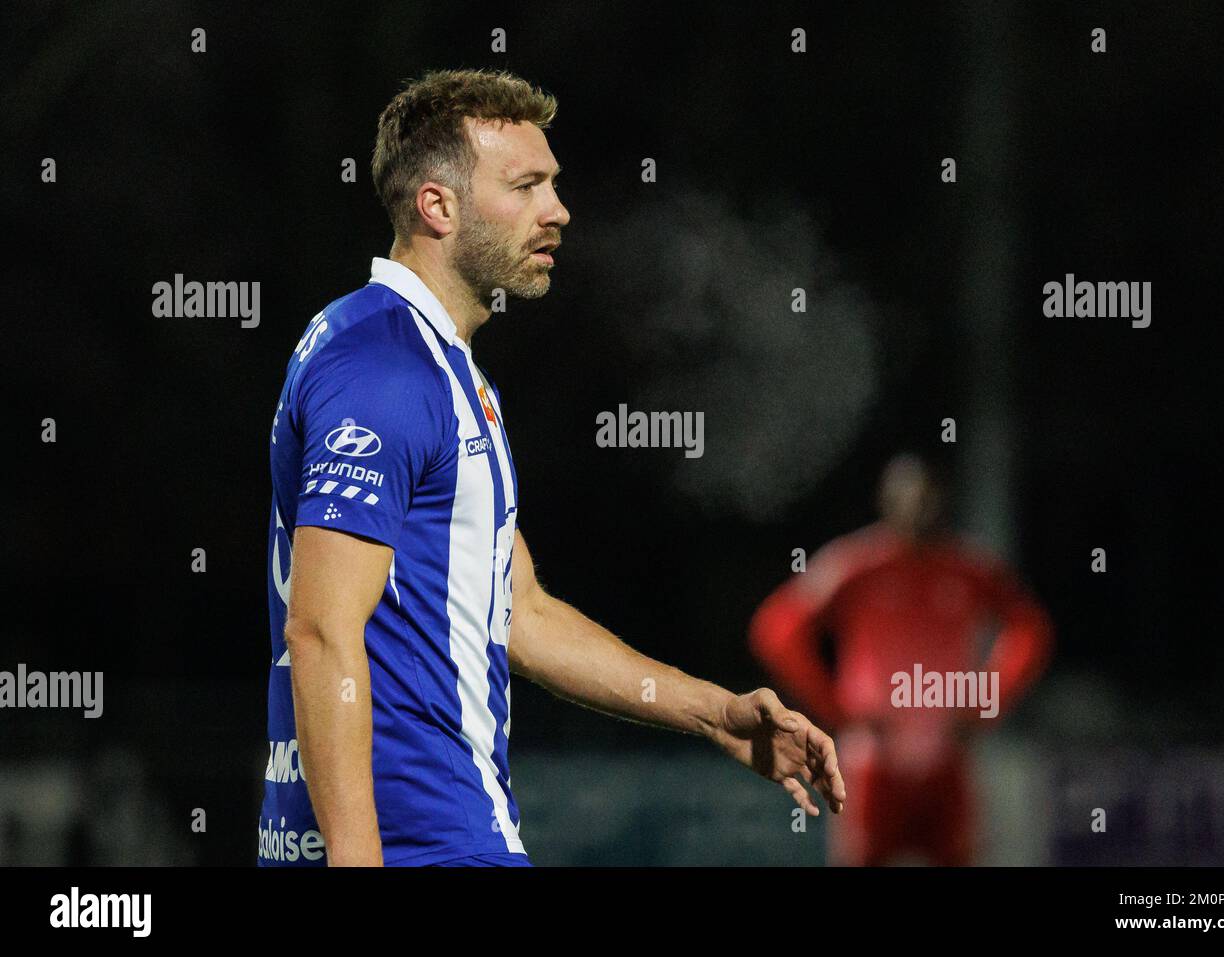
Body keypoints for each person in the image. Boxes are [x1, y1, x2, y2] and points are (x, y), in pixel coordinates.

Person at [258, 68, 844, 867]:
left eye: (554, 184)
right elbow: (321, 628)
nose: (557, 210)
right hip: (420, 845)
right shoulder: (385, 369)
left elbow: (518, 610)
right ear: (438, 206)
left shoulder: (435, 369)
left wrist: (715, 714)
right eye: (526, 185)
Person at [749, 452, 1052, 865]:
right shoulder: (856, 565)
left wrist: (985, 704)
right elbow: (777, 630)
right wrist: (835, 707)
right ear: (887, 502)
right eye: (911, 499)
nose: (921, 511)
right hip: (873, 760)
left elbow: (1030, 629)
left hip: (946, 758)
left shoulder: (968, 569)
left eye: (929, 500)